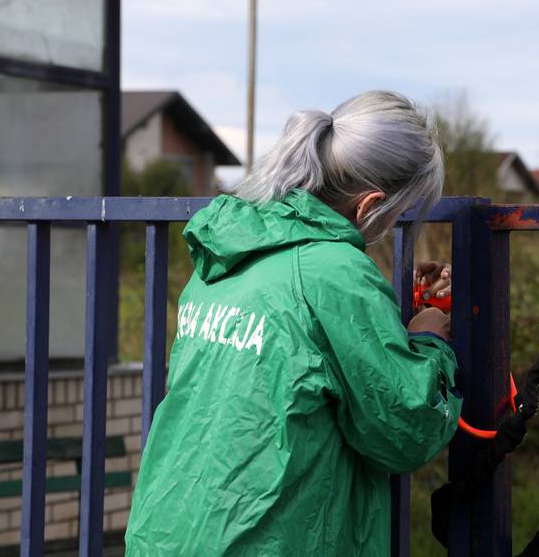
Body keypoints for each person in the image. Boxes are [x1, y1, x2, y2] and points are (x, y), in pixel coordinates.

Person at [125, 91, 462, 556]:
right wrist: (428, 339)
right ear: (369, 206)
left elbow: (300, 347)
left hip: (170, 531)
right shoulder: (336, 274)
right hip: (267, 541)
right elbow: (405, 428)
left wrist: (386, 310)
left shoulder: (231, 250)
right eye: (399, 216)